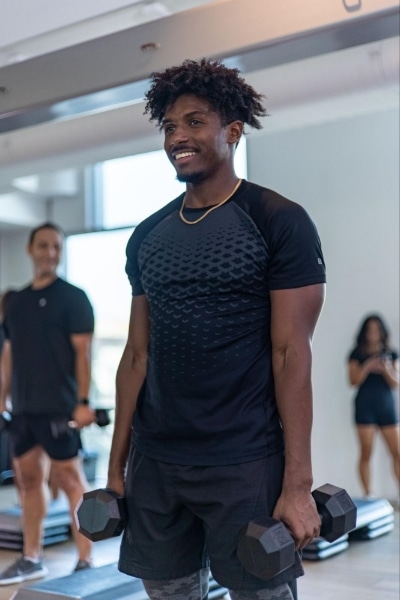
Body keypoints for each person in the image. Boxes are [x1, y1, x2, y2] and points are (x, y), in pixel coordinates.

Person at [106, 58, 326, 600]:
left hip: (244, 459)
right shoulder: (147, 236)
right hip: (157, 462)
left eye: (195, 122)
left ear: (232, 131)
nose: (178, 136)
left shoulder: (277, 219)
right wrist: (117, 469)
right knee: (169, 593)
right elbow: (137, 356)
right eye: (169, 126)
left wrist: (297, 483)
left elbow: (289, 353)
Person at [0, 222, 96, 586]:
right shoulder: (17, 302)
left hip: (60, 406)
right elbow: (7, 355)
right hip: (24, 408)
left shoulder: (73, 297)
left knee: (72, 480)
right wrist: (2, 398)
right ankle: (31, 556)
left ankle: (86, 559)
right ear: (30, 249)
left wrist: (83, 402)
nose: (50, 253)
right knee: (27, 480)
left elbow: (82, 353)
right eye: (43, 246)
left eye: (56, 246)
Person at [348, 314, 400, 498]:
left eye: (376, 329)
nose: (373, 333)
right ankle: (368, 494)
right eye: (370, 329)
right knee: (366, 452)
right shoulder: (357, 354)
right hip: (365, 406)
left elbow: (396, 382)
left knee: (397, 452)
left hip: (386, 406)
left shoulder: (391, 354)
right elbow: (353, 381)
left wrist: (386, 369)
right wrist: (367, 366)